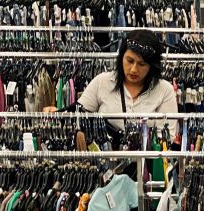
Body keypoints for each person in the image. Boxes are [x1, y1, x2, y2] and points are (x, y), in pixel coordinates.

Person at [44, 29, 178, 137]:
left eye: (142, 64)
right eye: (129, 61)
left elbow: (168, 136)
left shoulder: (164, 91)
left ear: (152, 66)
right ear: (121, 58)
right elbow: (79, 113)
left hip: (149, 167)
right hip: (106, 164)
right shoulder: (102, 82)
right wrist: (58, 113)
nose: (133, 69)